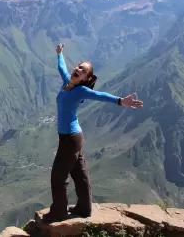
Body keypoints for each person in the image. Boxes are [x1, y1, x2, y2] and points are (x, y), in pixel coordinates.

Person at [42, 43, 144, 223]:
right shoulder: (67, 82)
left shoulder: (81, 90)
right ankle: (85, 208)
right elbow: (61, 67)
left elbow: (101, 96)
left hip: (70, 139)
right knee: (79, 174)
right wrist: (60, 53)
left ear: (85, 78)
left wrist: (121, 101)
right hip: (74, 137)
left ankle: (59, 212)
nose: (77, 69)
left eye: (82, 70)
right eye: (78, 66)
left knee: (58, 177)